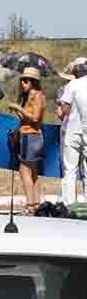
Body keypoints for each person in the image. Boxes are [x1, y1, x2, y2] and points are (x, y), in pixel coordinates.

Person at [16, 65, 46, 213]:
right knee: (32, 171)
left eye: (26, 81)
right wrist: (18, 109)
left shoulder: (38, 95)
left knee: (24, 170)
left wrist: (19, 108)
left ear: (33, 82)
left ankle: (30, 203)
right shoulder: (28, 96)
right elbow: (26, 119)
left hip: (32, 136)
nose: (23, 83)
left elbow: (35, 118)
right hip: (26, 134)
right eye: (22, 80)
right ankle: (35, 203)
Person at [59, 58, 87, 206]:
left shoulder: (73, 84)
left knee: (70, 170)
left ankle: (69, 205)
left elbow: (65, 109)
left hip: (73, 131)